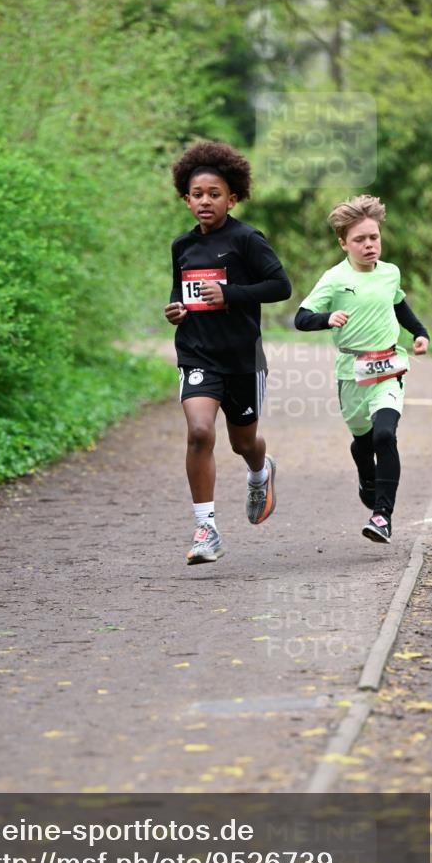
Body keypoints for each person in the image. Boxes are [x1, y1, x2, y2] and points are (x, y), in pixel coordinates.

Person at [165, 140, 292, 565]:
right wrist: (176, 310)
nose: (205, 201)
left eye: (214, 194)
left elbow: (280, 287)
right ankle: (207, 529)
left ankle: (260, 472)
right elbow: (179, 294)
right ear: (186, 199)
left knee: (243, 442)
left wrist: (230, 294)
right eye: (197, 194)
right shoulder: (182, 247)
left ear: (231, 198)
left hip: (242, 358)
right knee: (200, 432)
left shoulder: (247, 240)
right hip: (198, 353)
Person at [295, 194, 430, 544]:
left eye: (374, 237)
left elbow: (399, 304)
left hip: (388, 365)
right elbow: (301, 318)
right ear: (343, 243)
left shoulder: (390, 273)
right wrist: (328, 318)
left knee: (385, 435)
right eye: (359, 239)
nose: (369, 245)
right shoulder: (334, 278)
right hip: (351, 370)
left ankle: (382, 516)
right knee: (363, 441)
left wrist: (420, 332)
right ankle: (365, 473)